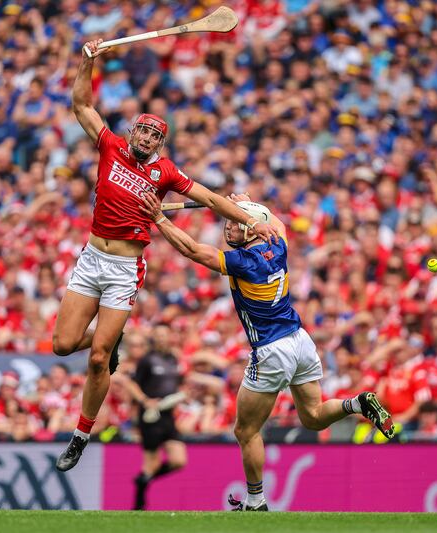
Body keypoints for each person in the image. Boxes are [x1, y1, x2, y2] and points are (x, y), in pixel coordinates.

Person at [54, 39, 279, 473]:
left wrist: (251, 221)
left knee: (99, 358)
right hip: (91, 258)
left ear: (160, 142)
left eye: (156, 135)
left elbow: (211, 199)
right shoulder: (111, 146)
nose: (147, 137)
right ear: (133, 130)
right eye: (143, 130)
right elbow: (81, 104)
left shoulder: (166, 173)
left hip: (124, 268)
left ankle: (81, 434)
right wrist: (88, 62)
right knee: (64, 345)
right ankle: (109, 336)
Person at [139, 191, 394, 511]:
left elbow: (191, 249)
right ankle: (356, 402)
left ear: (251, 230)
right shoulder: (279, 243)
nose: (229, 228)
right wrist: (247, 205)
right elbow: (276, 222)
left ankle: (256, 501)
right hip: (300, 341)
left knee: (245, 430)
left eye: (235, 224)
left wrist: (159, 219)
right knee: (313, 417)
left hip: (272, 349)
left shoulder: (244, 262)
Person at [124, 326, 187, 510]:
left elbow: (176, 384)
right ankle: (138, 504)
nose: (161, 338)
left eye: (165, 335)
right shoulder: (147, 359)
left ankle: (143, 480)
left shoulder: (173, 359)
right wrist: (145, 400)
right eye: (158, 335)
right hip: (151, 416)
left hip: (168, 416)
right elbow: (132, 384)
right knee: (151, 462)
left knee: (178, 460)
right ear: (153, 338)